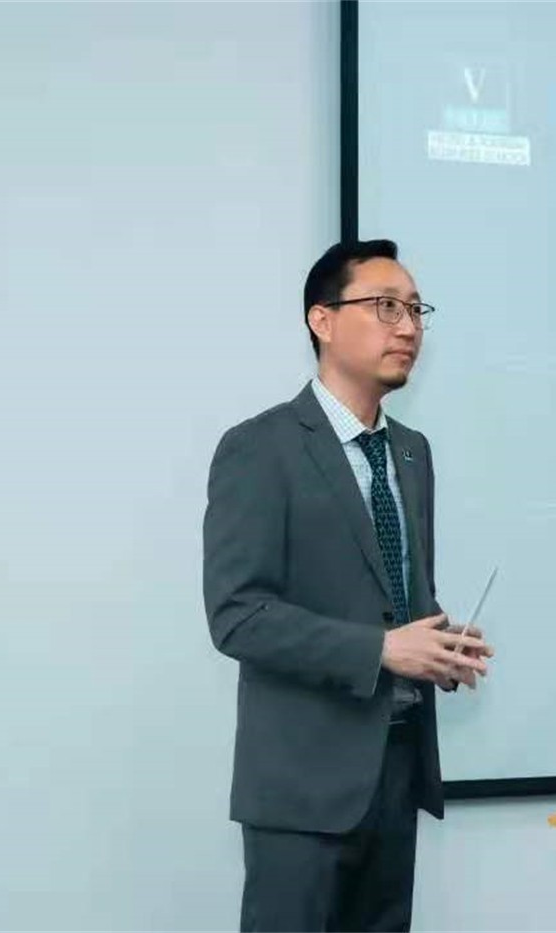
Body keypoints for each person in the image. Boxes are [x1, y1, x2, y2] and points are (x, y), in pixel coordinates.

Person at [202, 238, 494, 932]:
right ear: (323, 320)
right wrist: (383, 650)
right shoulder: (261, 447)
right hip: (302, 789)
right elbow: (238, 615)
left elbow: (394, 596)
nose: (408, 326)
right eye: (386, 306)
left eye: (416, 310)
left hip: (395, 773)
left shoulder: (412, 452)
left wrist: (438, 645)